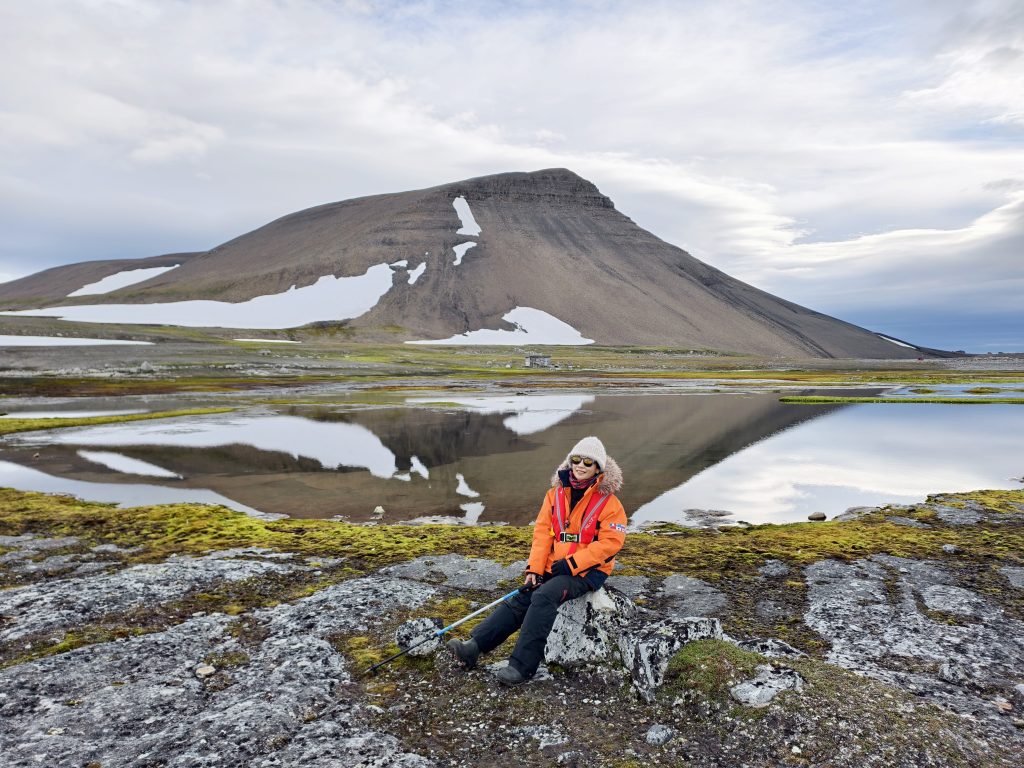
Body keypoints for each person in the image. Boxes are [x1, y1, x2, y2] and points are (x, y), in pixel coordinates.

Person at [447, 436, 627, 686]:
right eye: (576, 459)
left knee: (544, 596)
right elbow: (542, 534)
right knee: (524, 595)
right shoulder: (554, 495)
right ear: (570, 461)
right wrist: (534, 569)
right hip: (557, 565)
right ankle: (473, 648)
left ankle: (522, 667)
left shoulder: (610, 503)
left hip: (588, 571)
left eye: (588, 462)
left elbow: (611, 543)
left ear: (598, 468)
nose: (580, 465)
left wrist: (574, 564)